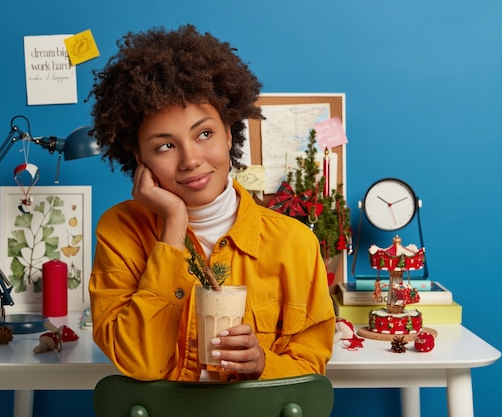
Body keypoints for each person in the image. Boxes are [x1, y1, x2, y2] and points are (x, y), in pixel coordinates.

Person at [88, 24, 335, 382]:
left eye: (204, 134)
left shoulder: (294, 243)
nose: (190, 160)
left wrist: (263, 363)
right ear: (138, 156)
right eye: (164, 146)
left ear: (230, 133)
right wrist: (173, 222)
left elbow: (310, 369)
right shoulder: (120, 230)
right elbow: (139, 361)